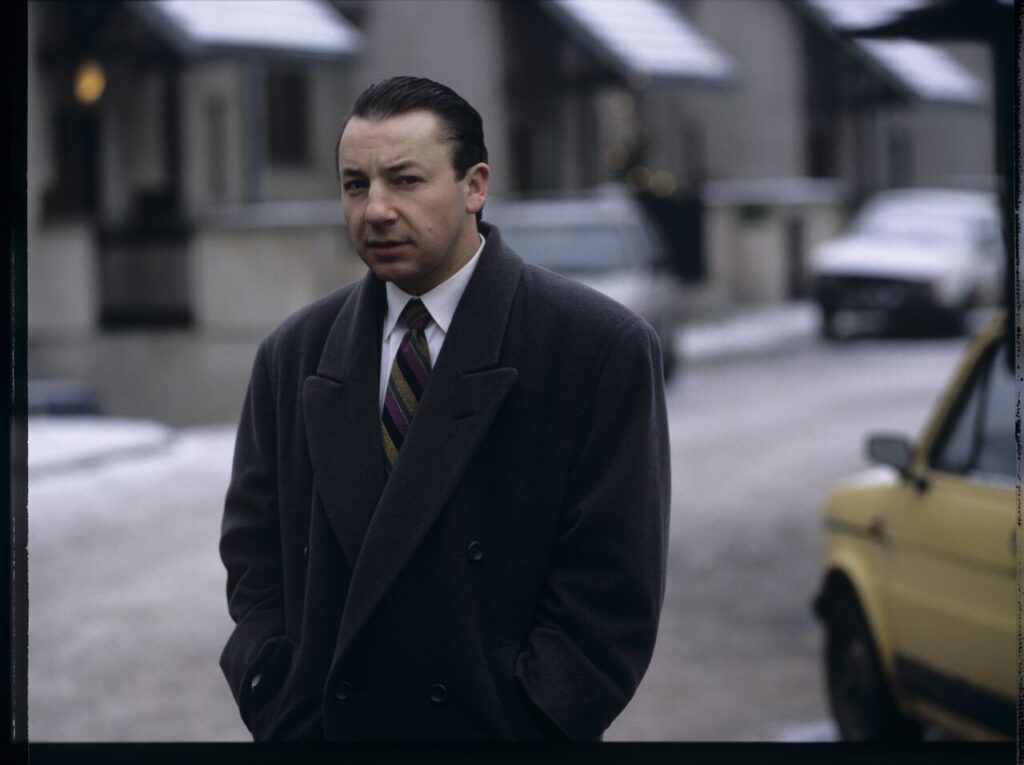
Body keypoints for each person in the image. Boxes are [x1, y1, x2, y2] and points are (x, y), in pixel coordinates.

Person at [219, 75, 670, 742]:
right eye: (355, 185)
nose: (375, 209)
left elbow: (612, 591)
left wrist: (534, 719)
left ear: (474, 186)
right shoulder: (293, 354)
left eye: (405, 181)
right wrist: (274, 693)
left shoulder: (596, 348)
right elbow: (253, 560)